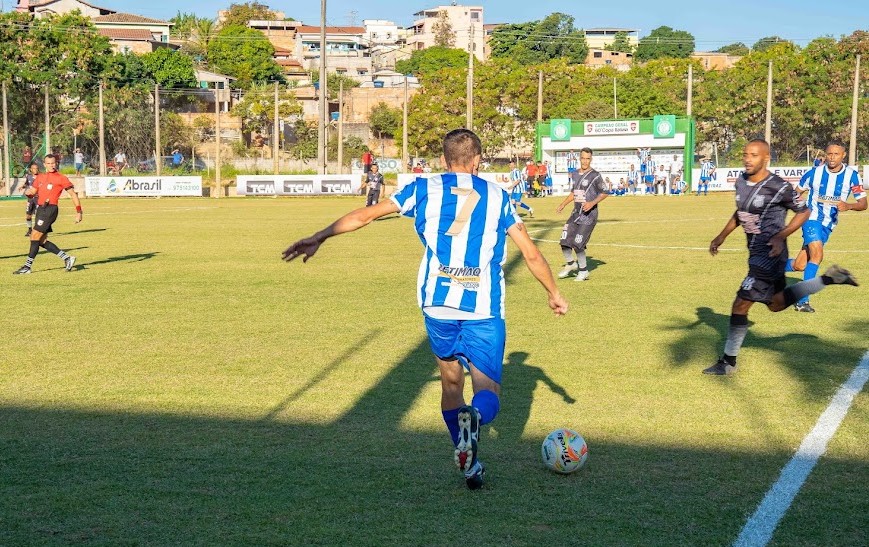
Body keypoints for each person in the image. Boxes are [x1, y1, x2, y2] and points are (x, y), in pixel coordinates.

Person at [282, 128, 568, 489]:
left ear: (444, 160)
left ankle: (469, 463)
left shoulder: (422, 188)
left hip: (436, 303)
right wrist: (553, 292)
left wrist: (320, 235)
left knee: (451, 383)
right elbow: (530, 252)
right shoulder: (497, 196)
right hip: (482, 307)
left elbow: (365, 216)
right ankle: (475, 420)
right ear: (477, 159)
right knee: (487, 391)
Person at [704, 139, 858, 375]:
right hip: (756, 251)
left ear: (765, 158)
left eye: (754, 155)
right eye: (745, 154)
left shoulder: (778, 186)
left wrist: (780, 235)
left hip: (770, 254)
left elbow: (804, 211)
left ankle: (728, 362)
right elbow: (741, 211)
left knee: (740, 304)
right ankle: (828, 279)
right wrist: (721, 236)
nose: (747, 158)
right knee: (776, 305)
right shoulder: (741, 182)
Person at [785, 139, 867, 312]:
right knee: (817, 255)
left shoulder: (851, 176)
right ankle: (802, 301)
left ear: (843, 155)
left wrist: (849, 206)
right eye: (829, 153)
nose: (832, 157)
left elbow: (863, 203)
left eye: (836, 154)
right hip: (810, 218)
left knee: (800, 265)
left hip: (828, 225)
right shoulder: (814, 173)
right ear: (825, 154)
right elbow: (795, 193)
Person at [13, 154, 82, 275]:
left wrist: (79, 212)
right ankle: (67, 258)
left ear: (56, 163)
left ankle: (27, 267)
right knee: (41, 240)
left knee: (34, 236)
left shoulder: (61, 178)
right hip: (40, 210)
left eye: (53, 163)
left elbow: (73, 194)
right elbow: (33, 192)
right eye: (48, 163)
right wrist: (28, 193)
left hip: (50, 209)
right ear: (44, 165)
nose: (51, 165)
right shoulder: (40, 178)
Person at [555, 147, 609, 282]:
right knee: (564, 242)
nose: (585, 161)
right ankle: (571, 264)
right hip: (575, 214)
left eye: (588, 158)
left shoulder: (595, 175)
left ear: (591, 159)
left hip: (589, 216)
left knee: (578, 244)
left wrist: (592, 203)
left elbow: (605, 192)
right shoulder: (574, 174)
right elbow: (574, 193)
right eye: (583, 158)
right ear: (579, 158)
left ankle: (583, 271)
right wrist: (563, 204)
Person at [23, 163, 40, 237]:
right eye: (34, 168)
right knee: (28, 215)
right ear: (31, 169)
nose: (35, 170)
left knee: (38, 215)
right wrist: (22, 187)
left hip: (38, 199)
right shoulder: (29, 176)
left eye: (36, 168)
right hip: (30, 199)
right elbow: (26, 184)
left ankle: (39, 231)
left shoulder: (41, 177)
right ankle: (30, 230)